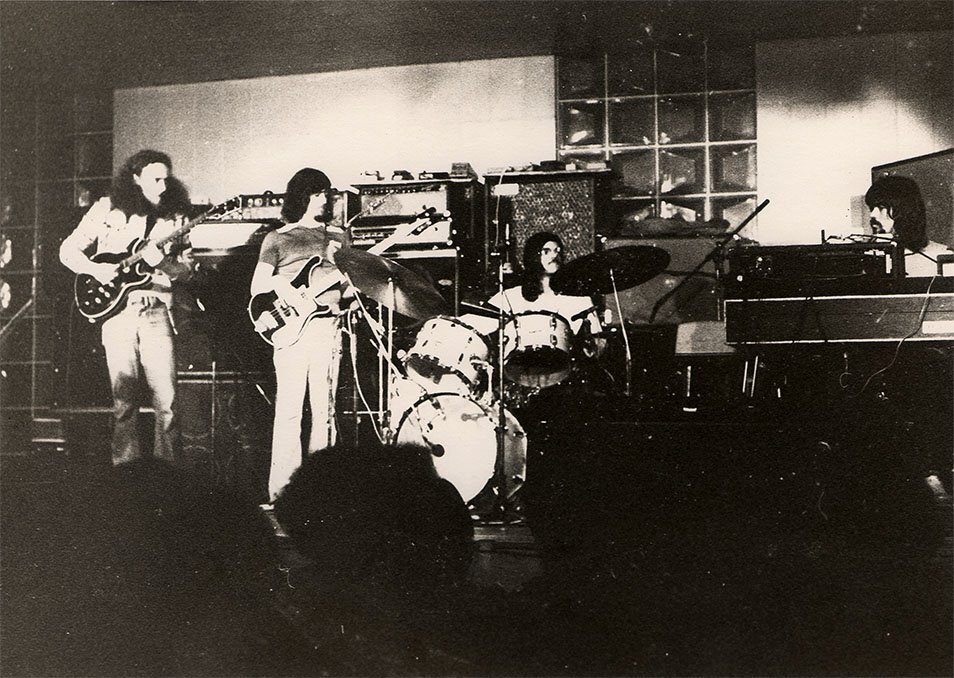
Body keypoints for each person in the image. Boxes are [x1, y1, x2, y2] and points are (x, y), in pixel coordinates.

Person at [59, 149, 193, 465]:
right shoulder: (106, 209)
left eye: (165, 179)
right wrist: (95, 270)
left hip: (156, 310)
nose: (162, 186)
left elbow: (187, 271)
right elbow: (67, 250)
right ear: (135, 178)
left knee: (168, 400)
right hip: (118, 313)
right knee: (123, 400)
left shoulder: (176, 218)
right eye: (155, 179)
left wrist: (163, 263)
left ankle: (169, 476)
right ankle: (125, 473)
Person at [250, 167, 351, 504]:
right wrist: (290, 292)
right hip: (291, 329)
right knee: (290, 411)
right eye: (317, 193)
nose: (324, 199)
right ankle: (282, 492)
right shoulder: (278, 238)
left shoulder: (339, 237)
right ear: (301, 196)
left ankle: (322, 489)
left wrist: (352, 283)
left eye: (327, 193)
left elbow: (348, 288)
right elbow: (258, 286)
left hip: (328, 326)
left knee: (325, 411)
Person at [865, 175, 952, 277]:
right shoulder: (867, 258)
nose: (872, 215)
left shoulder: (942, 257)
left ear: (904, 210)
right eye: (872, 208)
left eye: (881, 207)